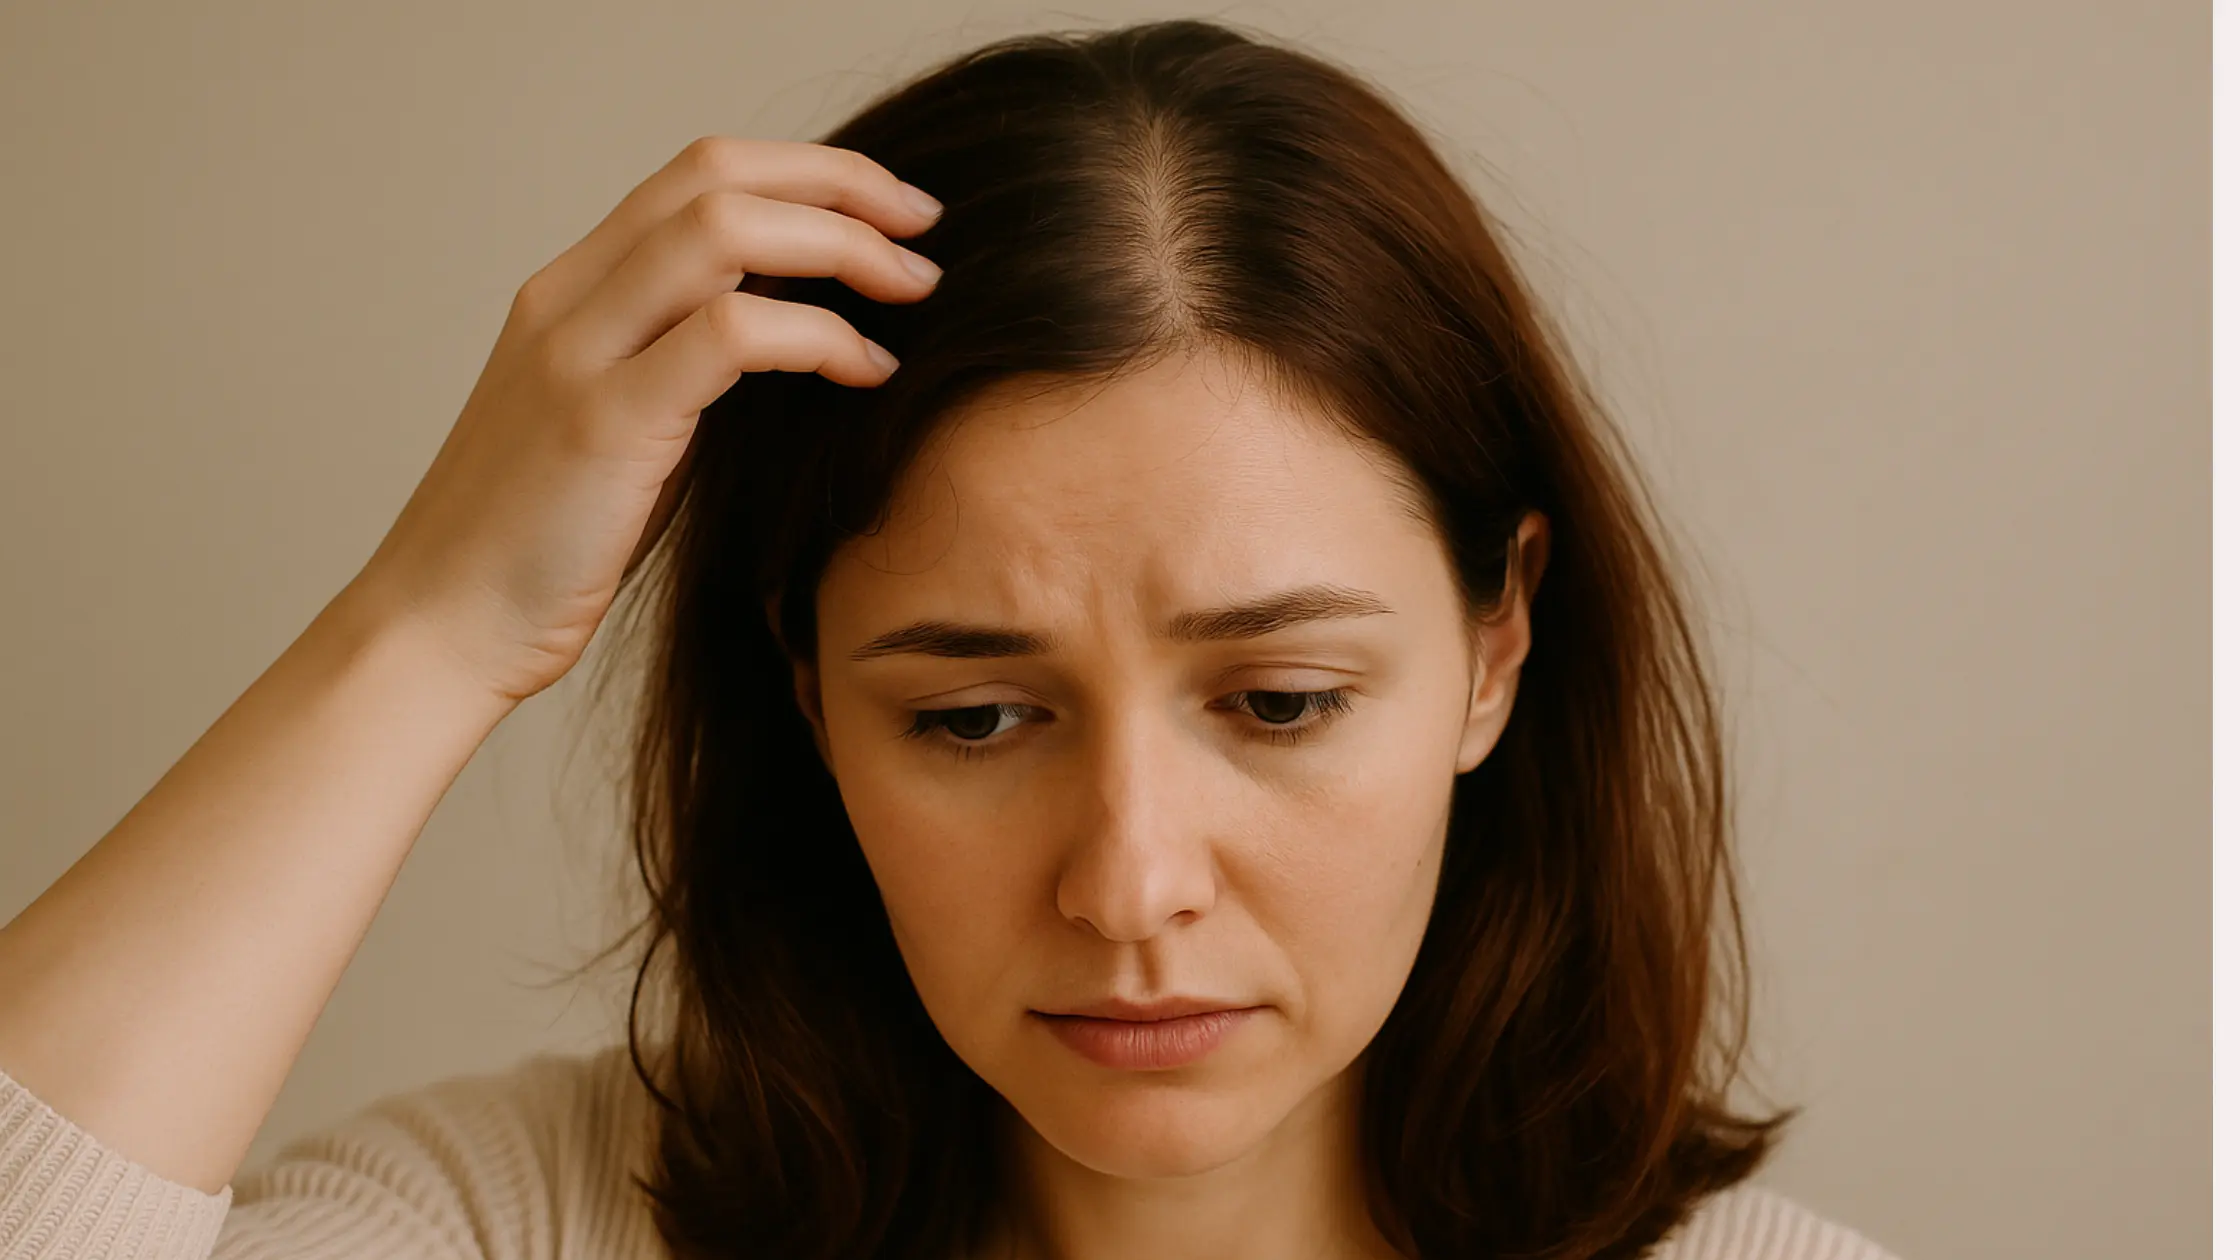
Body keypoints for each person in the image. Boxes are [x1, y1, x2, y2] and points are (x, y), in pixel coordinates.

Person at [0, 18, 1904, 1260]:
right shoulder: (537, 1225)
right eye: (979, 718)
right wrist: (432, 624)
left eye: (1282, 699)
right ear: (810, 690)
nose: (1131, 882)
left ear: (1498, 651)